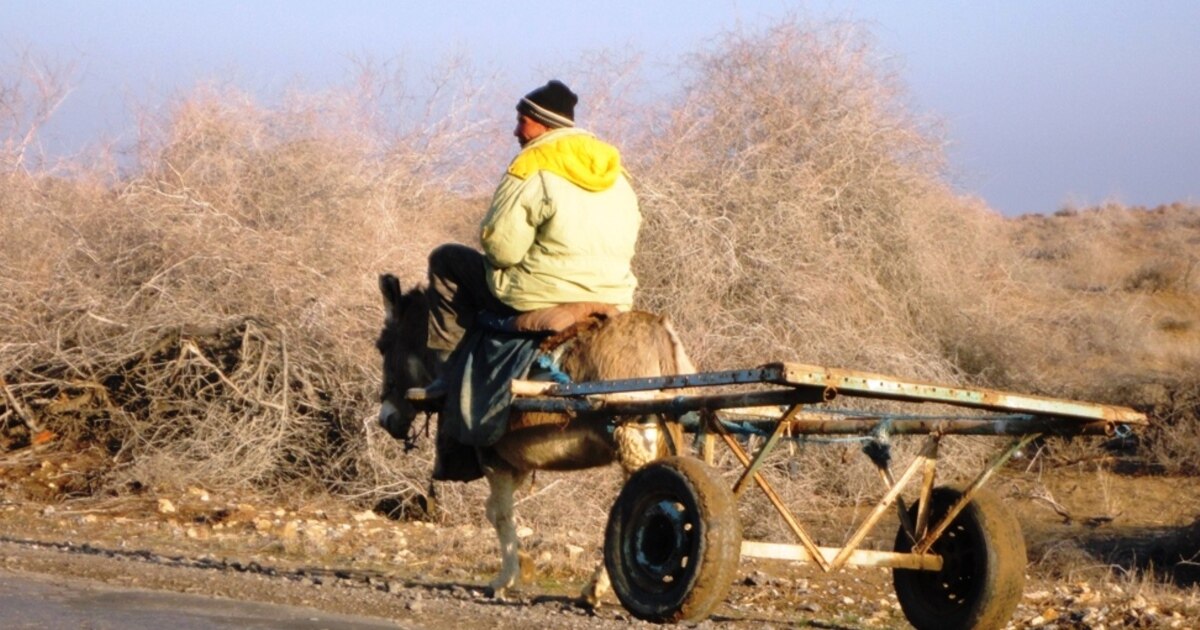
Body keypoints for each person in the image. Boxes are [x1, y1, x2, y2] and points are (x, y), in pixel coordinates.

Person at [419, 79, 642, 396]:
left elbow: (501, 249)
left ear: (545, 124)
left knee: (445, 259)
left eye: (522, 122)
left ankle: (448, 374)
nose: (516, 132)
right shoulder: (615, 171)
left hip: (541, 295)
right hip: (614, 295)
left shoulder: (532, 165)